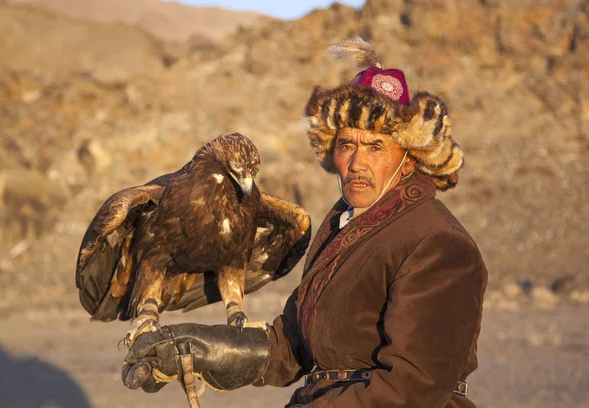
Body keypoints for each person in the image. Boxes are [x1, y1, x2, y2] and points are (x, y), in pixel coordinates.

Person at [121, 38, 488, 408]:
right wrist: (198, 348)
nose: (357, 162)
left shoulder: (437, 242)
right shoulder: (346, 228)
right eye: (346, 145)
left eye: (376, 147)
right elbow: (294, 345)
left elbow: (413, 388)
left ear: (408, 160)